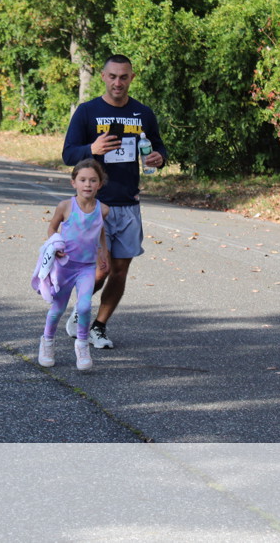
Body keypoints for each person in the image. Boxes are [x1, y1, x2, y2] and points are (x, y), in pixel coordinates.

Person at [61, 54, 167, 349]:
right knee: (101, 269)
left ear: (131, 78)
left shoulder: (143, 113)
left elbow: (158, 147)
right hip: (94, 206)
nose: (118, 82)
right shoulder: (87, 112)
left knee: (120, 271)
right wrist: (92, 149)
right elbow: (68, 154)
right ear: (103, 77)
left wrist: (159, 157)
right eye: (112, 76)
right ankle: (80, 311)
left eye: (123, 77)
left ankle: (99, 326)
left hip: (128, 203)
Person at [34, 159, 110, 371]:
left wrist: (103, 251)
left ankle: (82, 345)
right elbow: (52, 228)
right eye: (83, 180)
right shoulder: (66, 206)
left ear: (99, 184)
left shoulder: (103, 209)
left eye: (93, 180)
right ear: (73, 182)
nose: (87, 184)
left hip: (86, 268)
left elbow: (100, 230)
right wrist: (55, 243)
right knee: (57, 309)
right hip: (64, 267)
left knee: (84, 306)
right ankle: (47, 342)